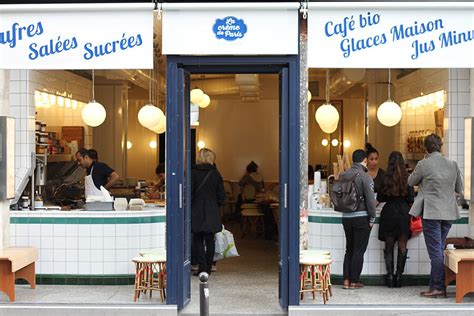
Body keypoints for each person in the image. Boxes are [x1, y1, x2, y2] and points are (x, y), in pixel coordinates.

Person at [408, 134, 463, 298]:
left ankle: (438, 287)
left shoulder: (424, 164)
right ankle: (436, 286)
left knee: (435, 252)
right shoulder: (453, 164)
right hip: (448, 213)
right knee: (438, 249)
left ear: (426, 148)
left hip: (431, 213)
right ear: (441, 146)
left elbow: (410, 182)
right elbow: (459, 188)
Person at [340, 149, 377, 290]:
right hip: (361, 217)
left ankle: (346, 280)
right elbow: (370, 200)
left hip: (346, 217)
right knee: (358, 250)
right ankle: (354, 281)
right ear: (365, 161)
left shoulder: (343, 174)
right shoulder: (365, 176)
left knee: (349, 248)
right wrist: (372, 218)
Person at [377, 151, 414, 288]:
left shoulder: (385, 178)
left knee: (389, 245)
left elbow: (380, 198)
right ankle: (399, 277)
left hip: (389, 213)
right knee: (403, 246)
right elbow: (411, 199)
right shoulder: (407, 178)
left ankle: (390, 277)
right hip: (404, 213)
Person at [191, 148, 225, 276]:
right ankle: (209, 267)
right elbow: (221, 194)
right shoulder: (216, 174)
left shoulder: (193, 173)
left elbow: (190, 193)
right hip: (211, 210)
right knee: (210, 239)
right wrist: (217, 205)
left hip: (197, 210)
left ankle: (202, 267)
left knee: (198, 239)